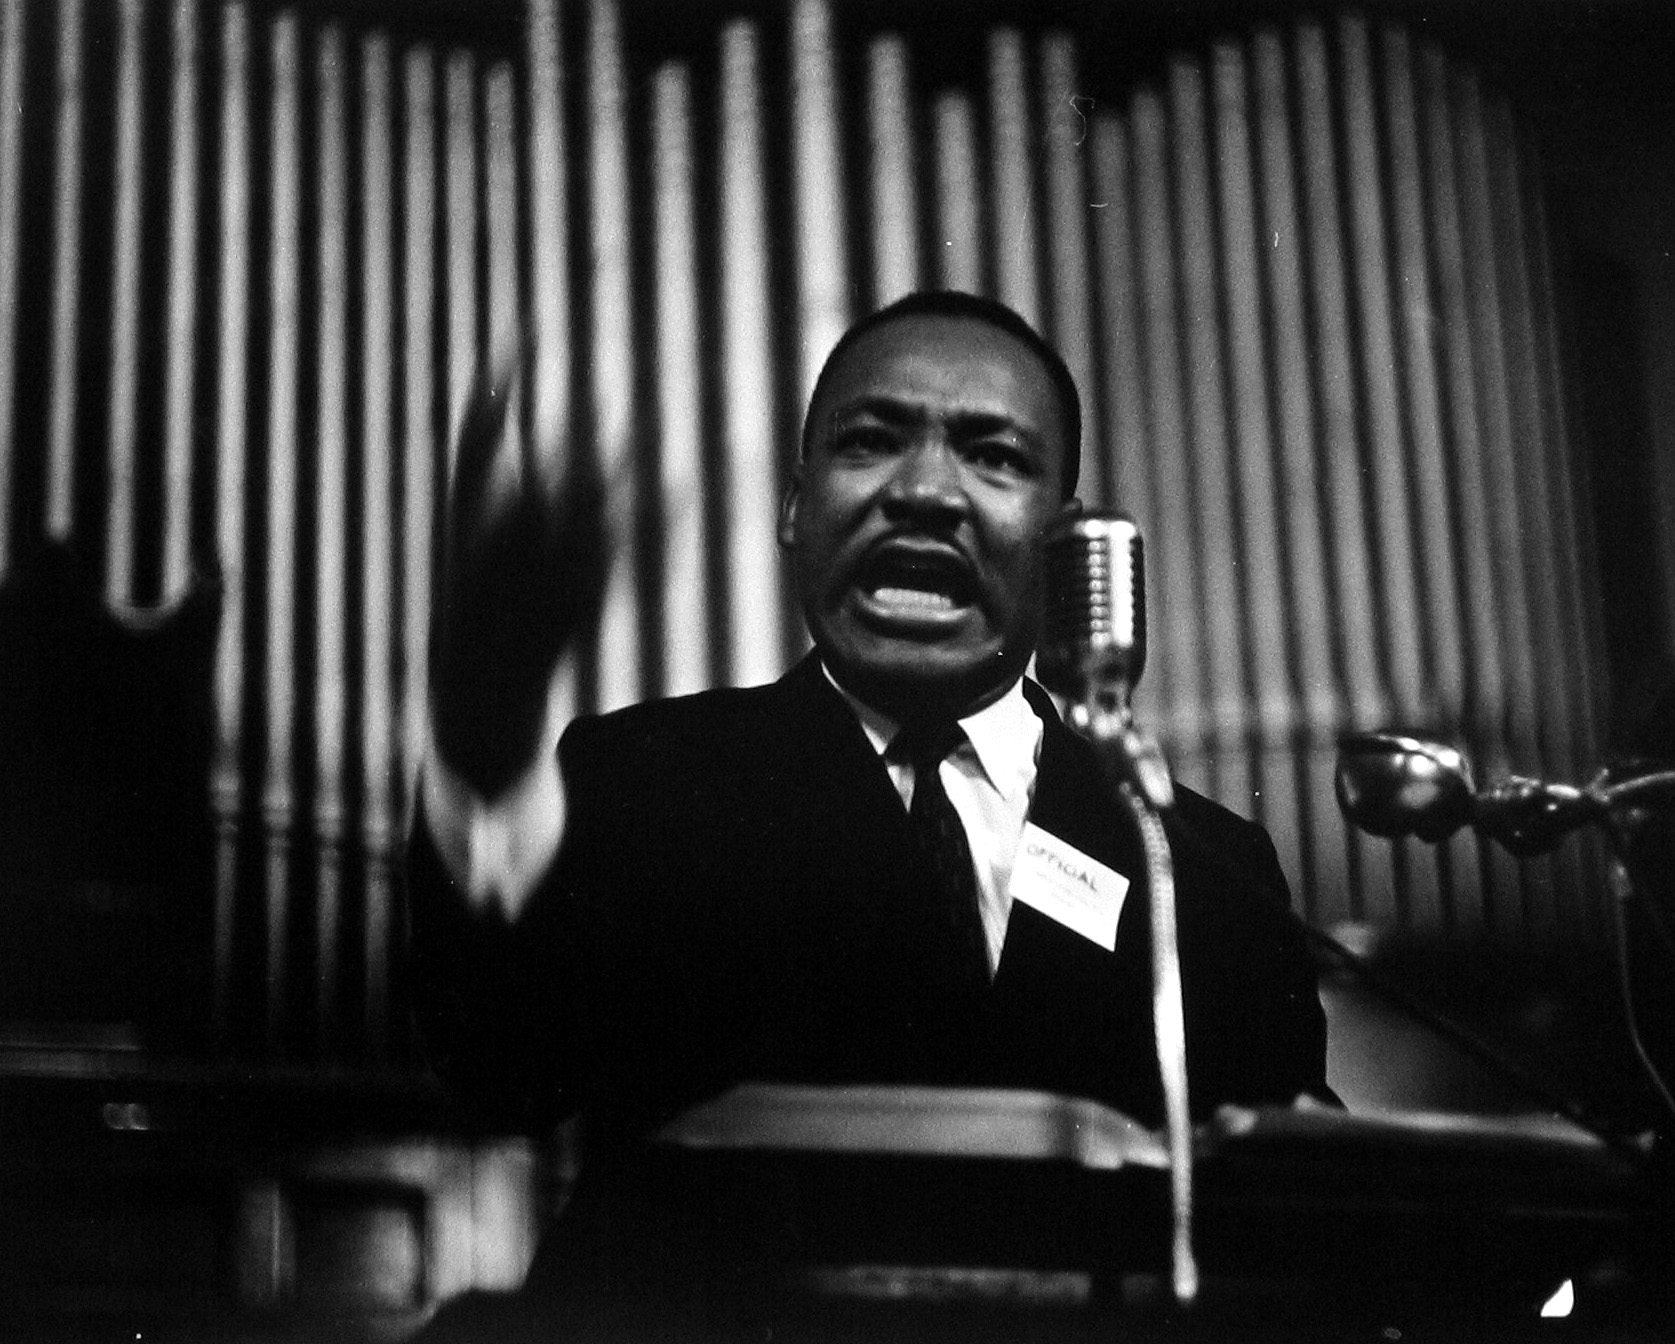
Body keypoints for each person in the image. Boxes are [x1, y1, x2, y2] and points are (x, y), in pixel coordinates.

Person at [406, 291, 1328, 1309]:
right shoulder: (645, 780)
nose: (925, 490)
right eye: (871, 441)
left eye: (994, 456)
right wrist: (486, 733)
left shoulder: (1198, 863)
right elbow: (496, 1061)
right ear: (796, 509)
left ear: (1062, 543)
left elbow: (1310, 1210)